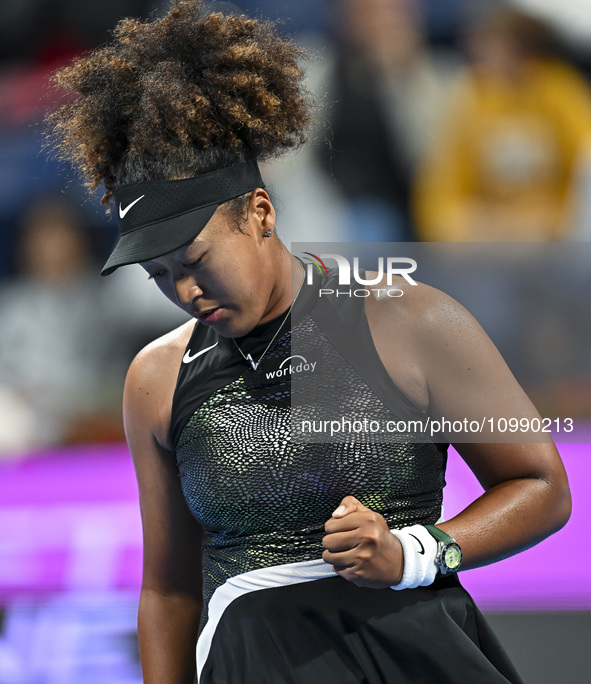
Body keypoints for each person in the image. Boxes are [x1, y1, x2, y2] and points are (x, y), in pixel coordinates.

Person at [47, 2, 571, 682]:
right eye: (160, 275)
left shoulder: (401, 319)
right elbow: (169, 591)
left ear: (259, 212)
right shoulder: (157, 377)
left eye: (196, 259)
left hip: (409, 658)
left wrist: (417, 552)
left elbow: (540, 485)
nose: (184, 291)